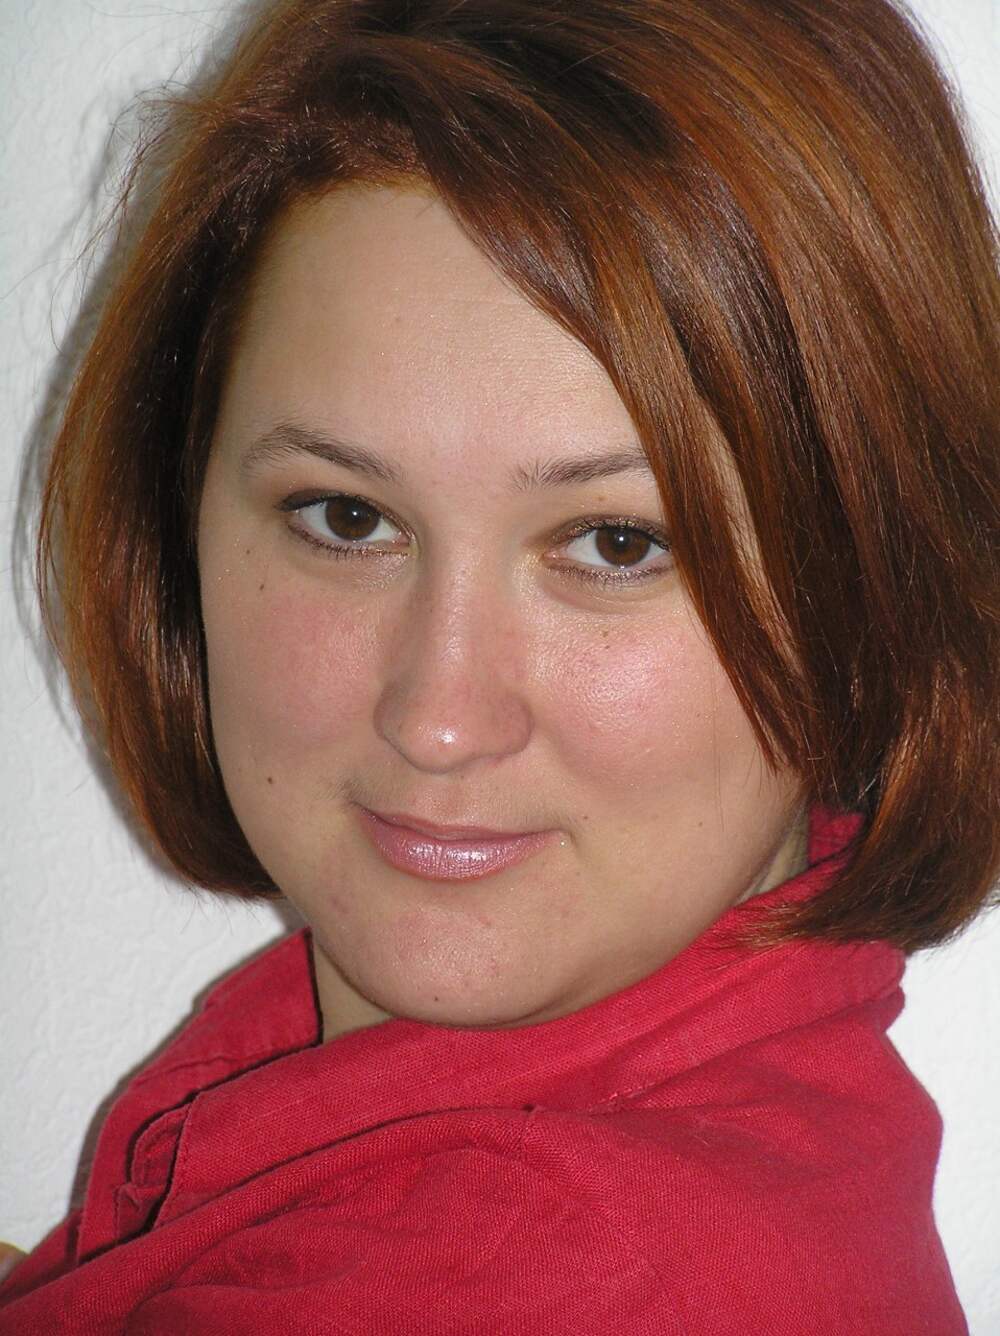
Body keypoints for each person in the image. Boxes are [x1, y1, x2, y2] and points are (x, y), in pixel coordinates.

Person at [1, 0, 997, 1330]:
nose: (439, 717)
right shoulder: (750, 1114)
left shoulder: (540, 1276)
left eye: (616, 543)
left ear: (869, 600)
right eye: (345, 517)